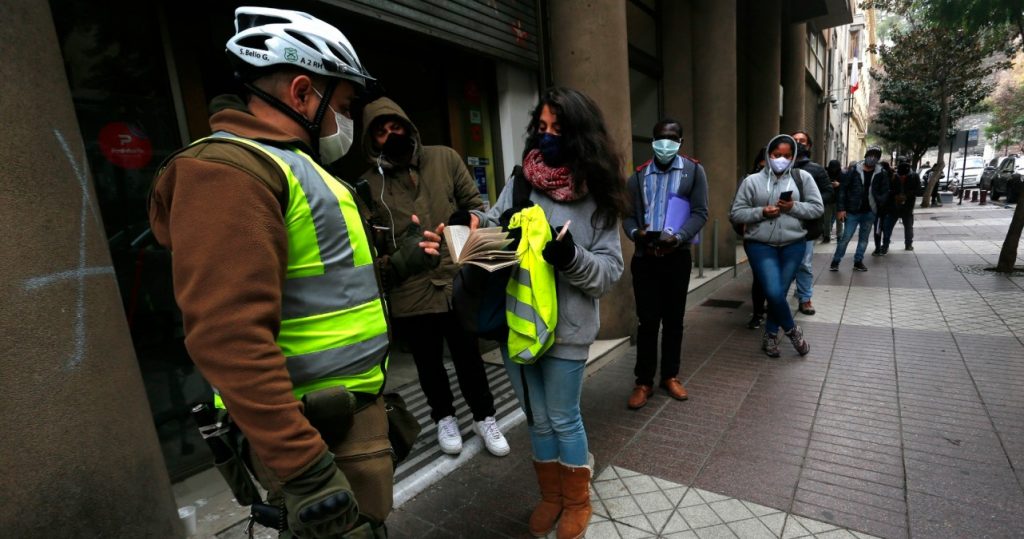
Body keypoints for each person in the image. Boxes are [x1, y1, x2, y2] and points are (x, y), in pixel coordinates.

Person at [149, 8, 443, 537]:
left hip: (344, 424)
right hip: (313, 440)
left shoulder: (297, 167)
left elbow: (328, 286)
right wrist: (306, 472)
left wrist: (405, 263)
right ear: (304, 92)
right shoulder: (230, 175)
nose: (347, 121)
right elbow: (227, 337)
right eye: (347, 105)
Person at [471, 87, 625, 539]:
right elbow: (493, 231)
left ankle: (577, 500)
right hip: (516, 322)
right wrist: (469, 233)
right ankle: (551, 496)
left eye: (559, 128)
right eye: (542, 127)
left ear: (581, 135)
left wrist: (570, 257)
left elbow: (609, 272)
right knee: (535, 419)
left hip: (568, 330)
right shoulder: (520, 181)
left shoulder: (597, 196)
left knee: (562, 417)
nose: (548, 136)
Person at [358, 97, 510, 457]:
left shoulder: (445, 157)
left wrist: (465, 226)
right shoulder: (366, 185)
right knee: (427, 363)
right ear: (371, 141)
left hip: (456, 278)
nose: (390, 136)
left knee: (468, 356)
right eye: (380, 132)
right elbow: (369, 251)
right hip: (410, 287)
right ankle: (444, 417)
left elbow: (476, 206)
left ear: (409, 128)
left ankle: (484, 416)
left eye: (396, 127)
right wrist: (400, 256)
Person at [622, 118, 708, 410]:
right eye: (660, 139)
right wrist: (637, 234)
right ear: (653, 141)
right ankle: (643, 381)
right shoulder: (638, 177)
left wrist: (680, 236)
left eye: (671, 139)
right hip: (645, 259)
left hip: (677, 258)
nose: (665, 145)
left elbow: (700, 212)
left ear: (680, 142)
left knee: (674, 321)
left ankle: (670, 375)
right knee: (647, 322)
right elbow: (628, 217)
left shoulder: (693, 171)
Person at [730, 135, 822, 358]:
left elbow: (817, 208)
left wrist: (792, 207)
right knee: (772, 290)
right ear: (768, 155)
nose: (781, 159)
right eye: (776, 155)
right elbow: (736, 213)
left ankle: (770, 336)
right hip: (761, 245)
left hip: (794, 243)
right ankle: (792, 331)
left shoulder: (803, 177)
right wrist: (761, 212)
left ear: (793, 157)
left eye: (787, 156)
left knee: (779, 293)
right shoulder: (752, 181)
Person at [791, 131, 832, 316]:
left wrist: (808, 203)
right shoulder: (778, 167)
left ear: (809, 146)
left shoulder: (816, 170)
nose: (798, 143)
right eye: (795, 140)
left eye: (802, 141)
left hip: (806, 226)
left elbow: (829, 193)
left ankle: (805, 298)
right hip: (781, 225)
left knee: (804, 264)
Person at [830, 147, 890, 272]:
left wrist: (879, 202)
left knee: (864, 239)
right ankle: (836, 261)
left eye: (875, 156)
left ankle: (858, 261)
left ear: (878, 159)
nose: (872, 158)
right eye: (870, 155)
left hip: (870, 212)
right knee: (846, 237)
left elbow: (885, 191)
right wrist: (841, 209)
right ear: (866, 155)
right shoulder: (854, 170)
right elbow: (843, 190)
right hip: (852, 211)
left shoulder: (882, 173)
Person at [740, 149, 769, 329]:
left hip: (782, 238)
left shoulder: (792, 179)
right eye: (767, 160)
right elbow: (737, 209)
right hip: (756, 236)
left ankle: (773, 309)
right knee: (759, 277)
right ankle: (758, 313)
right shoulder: (749, 181)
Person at [886, 156, 922, 250]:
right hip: (894, 205)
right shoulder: (894, 175)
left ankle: (908, 244)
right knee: (888, 227)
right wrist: (895, 195)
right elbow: (888, 189)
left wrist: (906, 196)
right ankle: (885, 245)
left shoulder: (914, 176)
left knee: (908, 227)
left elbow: (918, 191)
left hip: (908, 205)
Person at [873, 160, 895, 256]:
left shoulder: (892, 177)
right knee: (885, 229)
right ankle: (883, 247)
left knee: (880, 229)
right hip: (886, 209)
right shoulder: (891, 177)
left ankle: (880, 248)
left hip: (884, 208)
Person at [825, 160, 844, 242]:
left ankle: (839, 235)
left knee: (839, 219)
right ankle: (826, 235)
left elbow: (845, 186)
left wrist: (839, 185)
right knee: (826, 220)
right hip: (828, 200)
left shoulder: (842, 175)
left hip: (838, 200)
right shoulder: (825, 174)